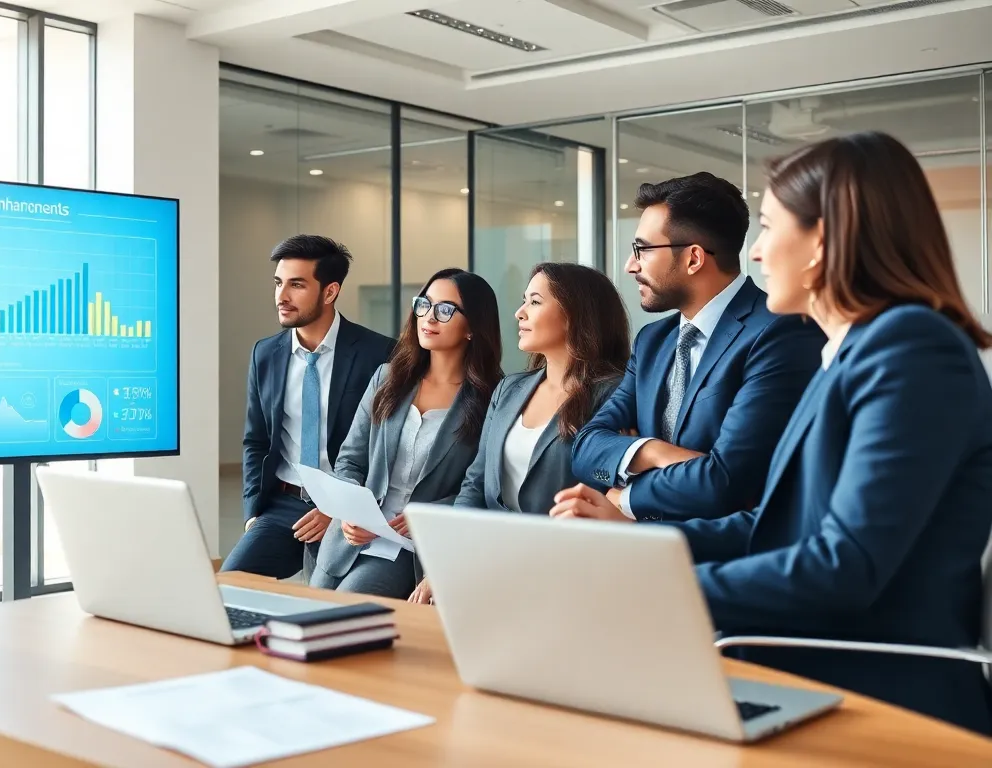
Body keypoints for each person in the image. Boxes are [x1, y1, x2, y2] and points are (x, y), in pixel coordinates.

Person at [552, 132, 992, 735]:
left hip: (876, 695)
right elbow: (776, 525)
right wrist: (637, 546)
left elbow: (843, 564)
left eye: (767, 228)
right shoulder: (853, 350)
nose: (755, 253)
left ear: (822, 240)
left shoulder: (910, 349)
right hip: (803, 663)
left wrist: (658, 587)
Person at [569, 172, 824, 523]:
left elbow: (727, 482)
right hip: (646, 549)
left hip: (726, 551)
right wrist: (653, 451)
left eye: (642, 249)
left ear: (694, 258)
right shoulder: (652, 341)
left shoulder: (779, 332)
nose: (631, 265)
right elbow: (585, 447)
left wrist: (626, 496)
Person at [408, 263, 629, 605]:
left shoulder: (615, 395)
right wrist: (449, 559)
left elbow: (610, 493)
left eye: (535, 302)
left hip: (562, 570)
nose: (519, 312)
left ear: (575, 314)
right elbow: (475, 483)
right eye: (524, 301)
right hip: (490, 556)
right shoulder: (510, 389)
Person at [309, 268, 503, 599]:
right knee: (309, 614)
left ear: (473, 327)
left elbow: (483, 487)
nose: (429, 317)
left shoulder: (491, 398)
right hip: (349, 538)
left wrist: (428, 516)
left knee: (346, 609)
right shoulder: (388, 378)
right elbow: (351, 459)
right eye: (424, 304)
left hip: (409, 546)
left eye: (445, 309)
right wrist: (350, 510)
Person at [221, 235, 395, 580]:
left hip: (348, 511)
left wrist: (339, 508)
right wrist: (253, 513)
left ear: (330, 292)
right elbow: (256, 441)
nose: (281, 296)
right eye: (278, 283)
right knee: (229, 585)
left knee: (328, 602)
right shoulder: (265, 354)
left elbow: (385, 450)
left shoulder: (379, 355)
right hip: (284, 505)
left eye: (296, 285)